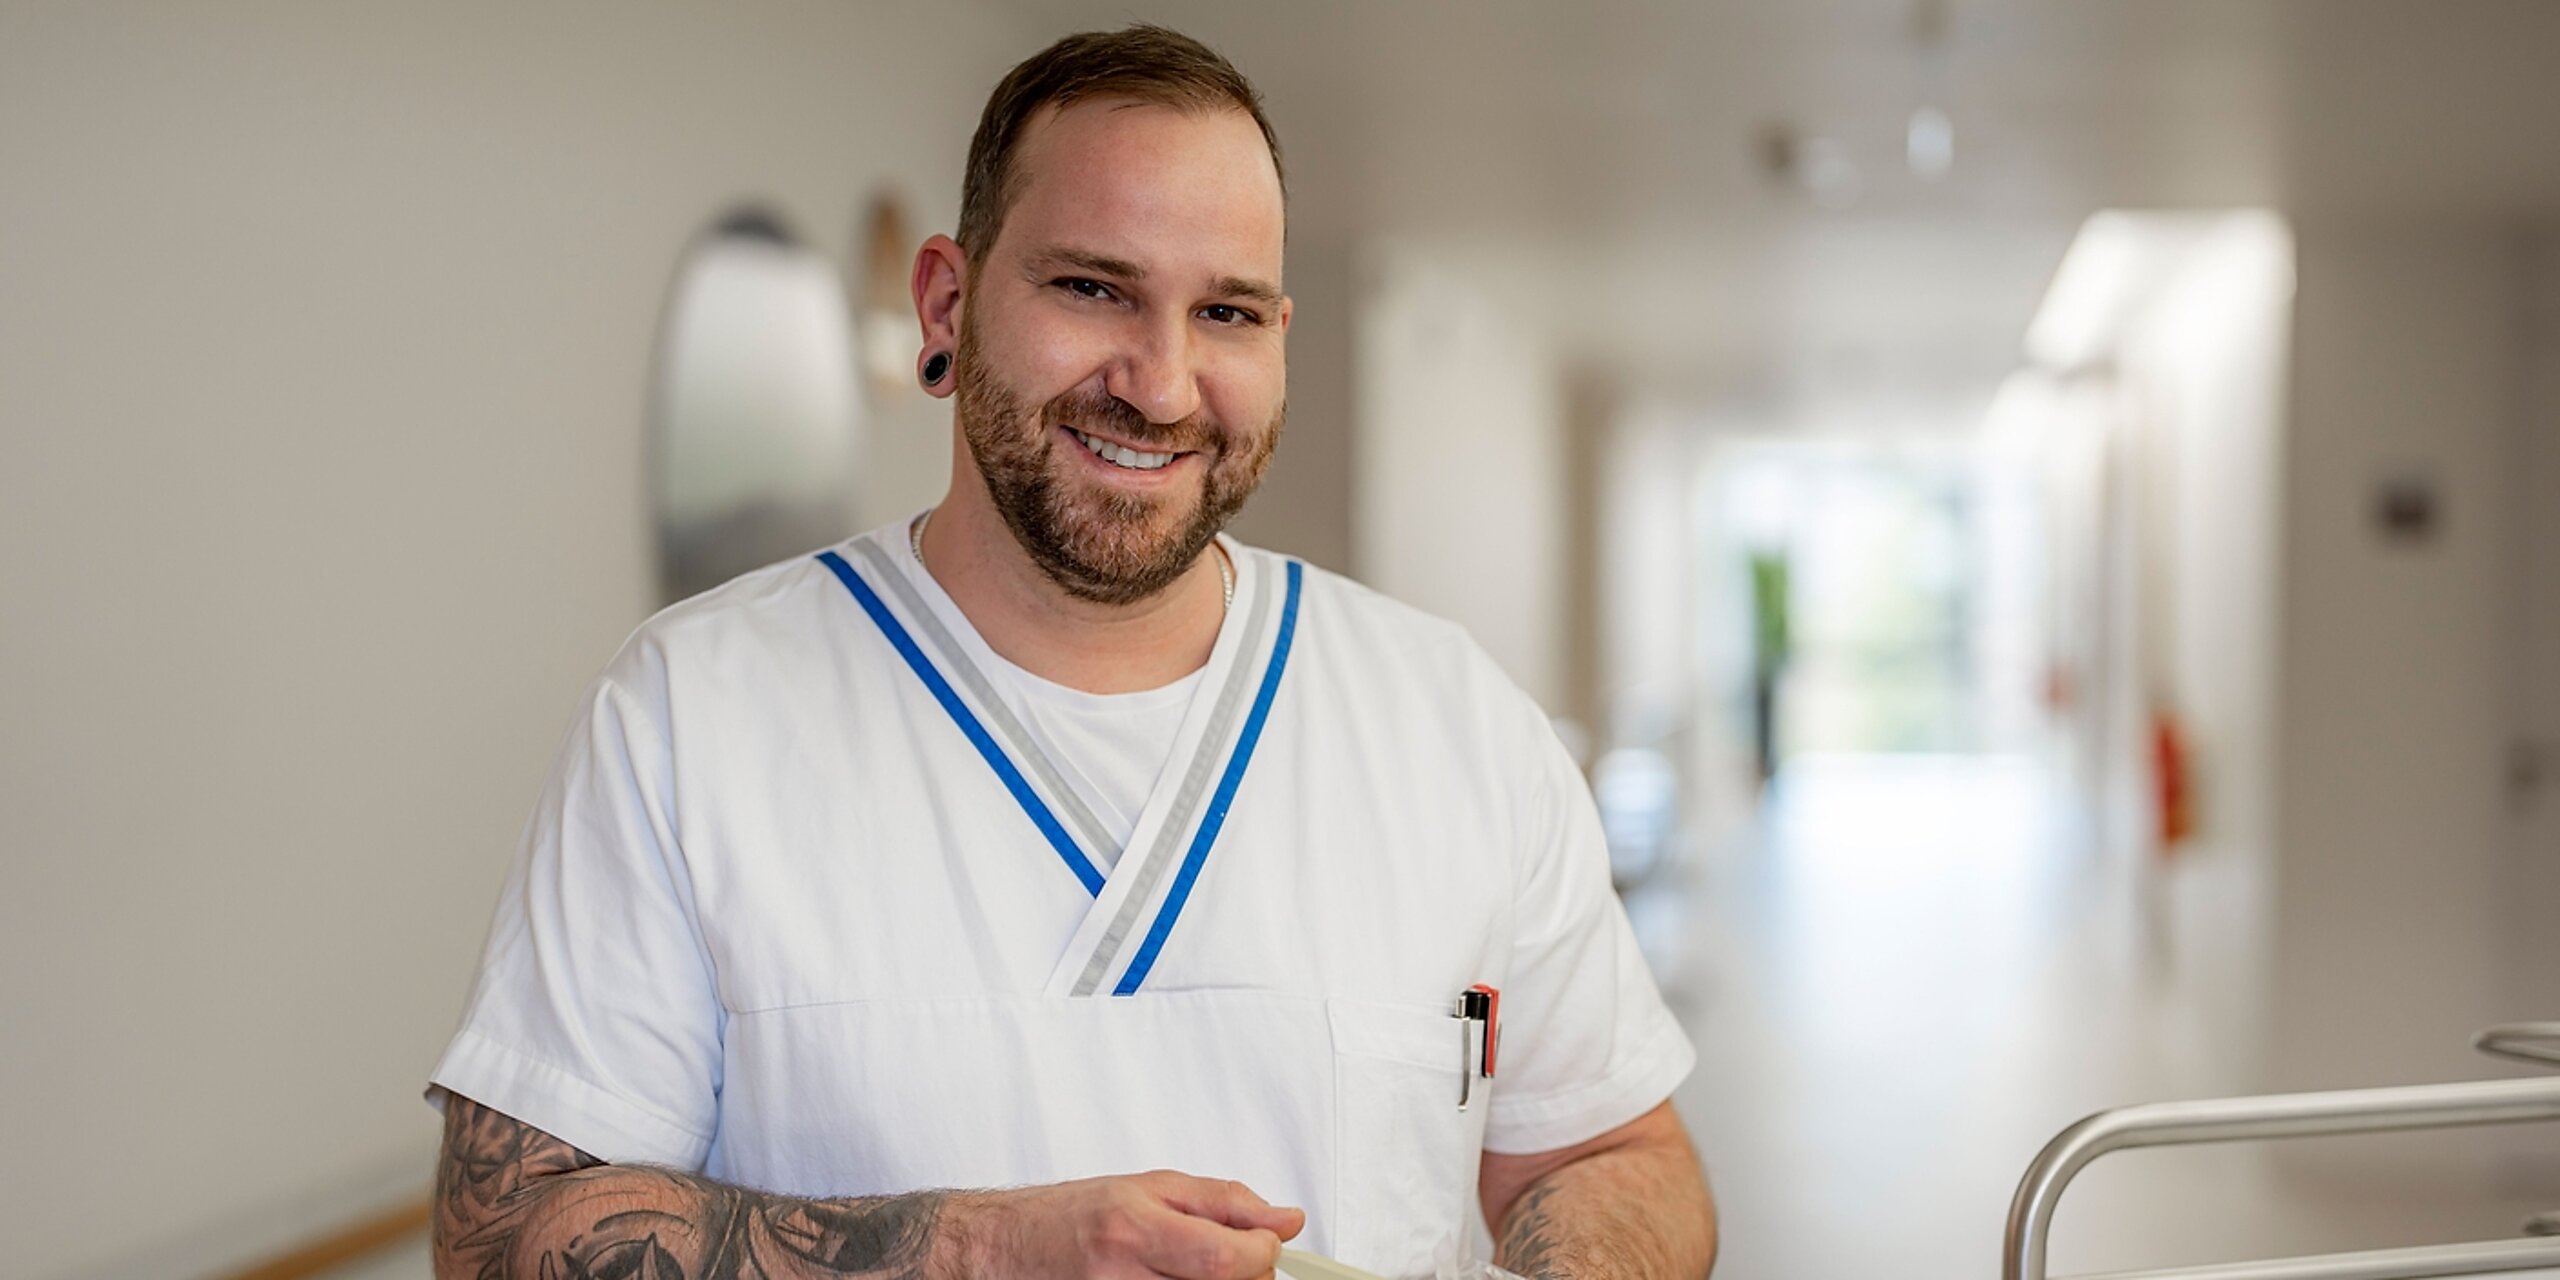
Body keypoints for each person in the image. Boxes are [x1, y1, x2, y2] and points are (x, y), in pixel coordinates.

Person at [426, 24, 1717, 1280]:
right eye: (1092, 287)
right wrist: (987, 1251)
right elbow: (498, 1240)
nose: (1160, 384)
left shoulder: (1449, 721)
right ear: (946, 300)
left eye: (1227, 313)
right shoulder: (691, 715)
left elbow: (1611, 1150)